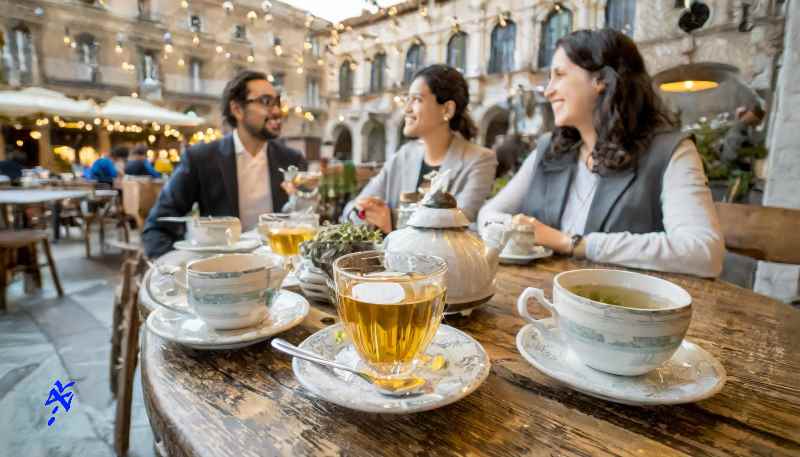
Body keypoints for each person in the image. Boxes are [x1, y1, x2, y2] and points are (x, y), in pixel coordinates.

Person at [478, 29, 724, 278]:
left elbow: (703, 252)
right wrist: (520, 231)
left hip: (625, 307)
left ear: (601, 80)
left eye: (560, 75)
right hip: (539, 296)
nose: (548, 90)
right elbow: (489, 214)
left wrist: (573, 243)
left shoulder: (671, 152)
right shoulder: (548, 149)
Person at [142, 70, 308, 258]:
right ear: (237, 109)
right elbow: (157, 227)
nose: (277, 111)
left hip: (280, 269)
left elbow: (305, 218)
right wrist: (176, 271)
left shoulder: (292, 160)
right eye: (266, 102)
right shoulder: (201, 159)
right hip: (222, 271)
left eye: (277, 102)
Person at [343, 64, 497, 233]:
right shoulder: (404, 155)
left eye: (416, 99)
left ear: (447, 109)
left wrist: (392, 225)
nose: (406, 109)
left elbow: (458, 231)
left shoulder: (480, 160)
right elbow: (350, 211)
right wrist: (367, 212)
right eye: (407, 99)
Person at [720, 103, 766, 167]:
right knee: (742, 124)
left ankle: (755, 114)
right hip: (734, 142)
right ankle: (755, 114)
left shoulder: (731, 157)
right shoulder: (731, 156)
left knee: (761, 151)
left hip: (735, 143)